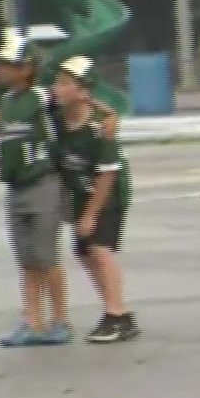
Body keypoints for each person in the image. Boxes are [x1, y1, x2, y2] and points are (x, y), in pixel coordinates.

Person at [0, 33, 73, 347]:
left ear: (25, 68)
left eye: (6, 63)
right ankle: (32, 322)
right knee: (26, 259)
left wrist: (108, 117)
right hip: (15, 187)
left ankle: (61, 320)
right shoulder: (7, 102)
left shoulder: (41, 97)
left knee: (46, 256)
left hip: (42, 184)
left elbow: (78, 100)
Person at [50, 56, 140, 343]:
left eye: (65, 84)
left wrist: (90, 214)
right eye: (57, 82)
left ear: (83, 91)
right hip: (79, 193)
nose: (57, 88)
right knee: (84, 253)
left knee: (100, 249)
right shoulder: (56, 115)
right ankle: (119, 312)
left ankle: (116, 315)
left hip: (108, 194)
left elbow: (107, 176)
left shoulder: (100, 127)